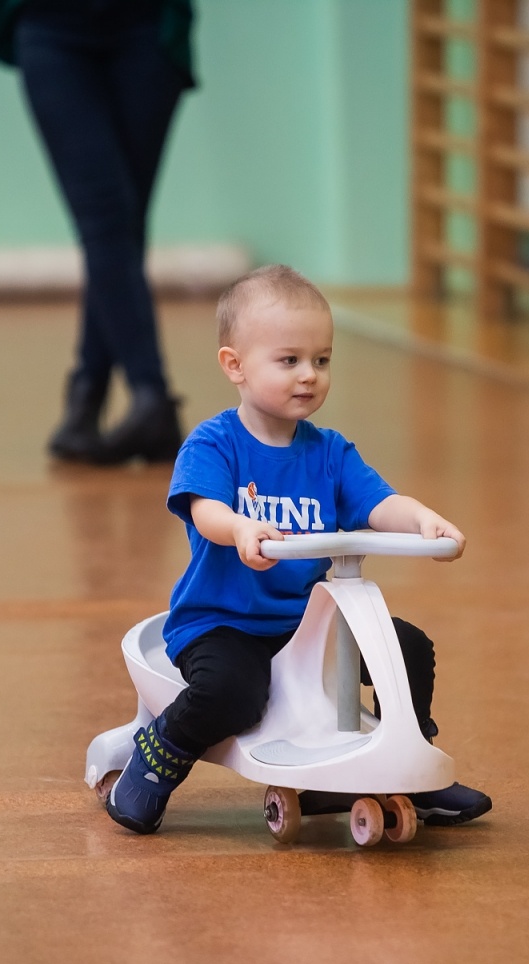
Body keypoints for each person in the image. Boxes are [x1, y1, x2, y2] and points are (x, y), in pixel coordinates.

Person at [105, 265, 493, 834]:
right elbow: (203, 510)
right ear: (234, 365)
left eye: (322, 360)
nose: (309, 375)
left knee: (404, 648)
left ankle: (409, 765)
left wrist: (422, 520)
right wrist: (239, 528)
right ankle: (160, 753)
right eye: (289, 361)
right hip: (223, 624)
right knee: (232, 692)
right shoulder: (214, 444)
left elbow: (381, 503)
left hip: (305, 624)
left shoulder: (330, 453)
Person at [0, 0, 193, 464]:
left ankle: (85, 403)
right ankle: (148, 394)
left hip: (145, 28)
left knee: (121, 227)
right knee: (107, 217)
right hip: (52, 28)